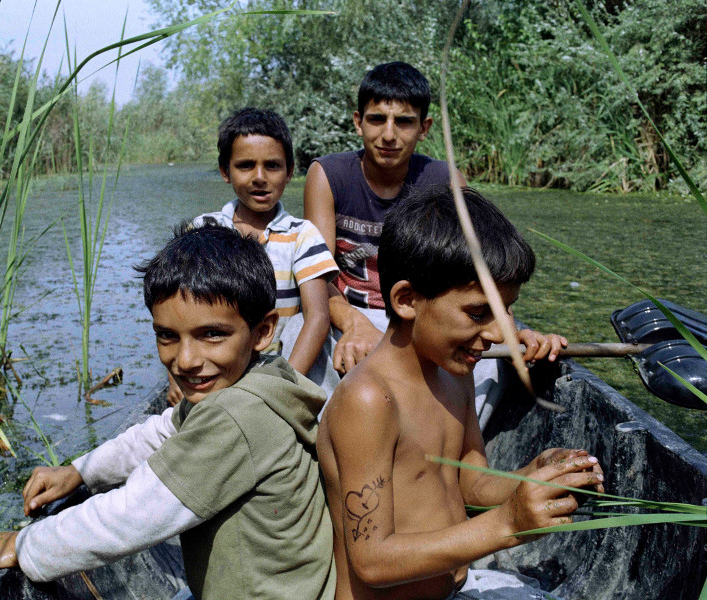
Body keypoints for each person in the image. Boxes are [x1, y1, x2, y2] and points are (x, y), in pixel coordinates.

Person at [0, 224, 336, 600]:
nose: (185, 360)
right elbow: (161, 431)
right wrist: (81, 471)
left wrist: (22, 545)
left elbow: (135, 515)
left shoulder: (238, 416)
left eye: (211, 334)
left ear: (263, 330)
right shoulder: (261, 377)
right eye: (167, 335)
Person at [316, 185, 605, 600]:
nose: (498, 333)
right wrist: (507, 524)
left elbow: (471, 485)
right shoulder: (369, 401)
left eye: (506, 310)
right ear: (407, 300)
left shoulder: (455, 375)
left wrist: (530, 475)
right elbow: (372, 561)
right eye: (478, 312)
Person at [303, 62, 564, 401]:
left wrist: (511, 330)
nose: (388, 135)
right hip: (349, 310)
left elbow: (484, 269)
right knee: (304, 334)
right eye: (377, 119)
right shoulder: (328, 175)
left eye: (404, 122)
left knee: (488, 365)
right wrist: (354, 324)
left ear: (424, 128)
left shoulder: (445, 179)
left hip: (424, 315)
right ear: (358, 122)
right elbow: (315, 275)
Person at [164, 107, 338, 404]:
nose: (259, 177)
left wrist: (283, 387)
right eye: (245, 166)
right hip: (212, 368)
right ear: (225, 171)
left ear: (290, 171)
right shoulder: (203, 229)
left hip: (276, 368)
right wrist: (175, 376)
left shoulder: (302, 235)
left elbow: (318, 317)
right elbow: (173, 310)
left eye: (272, 166)